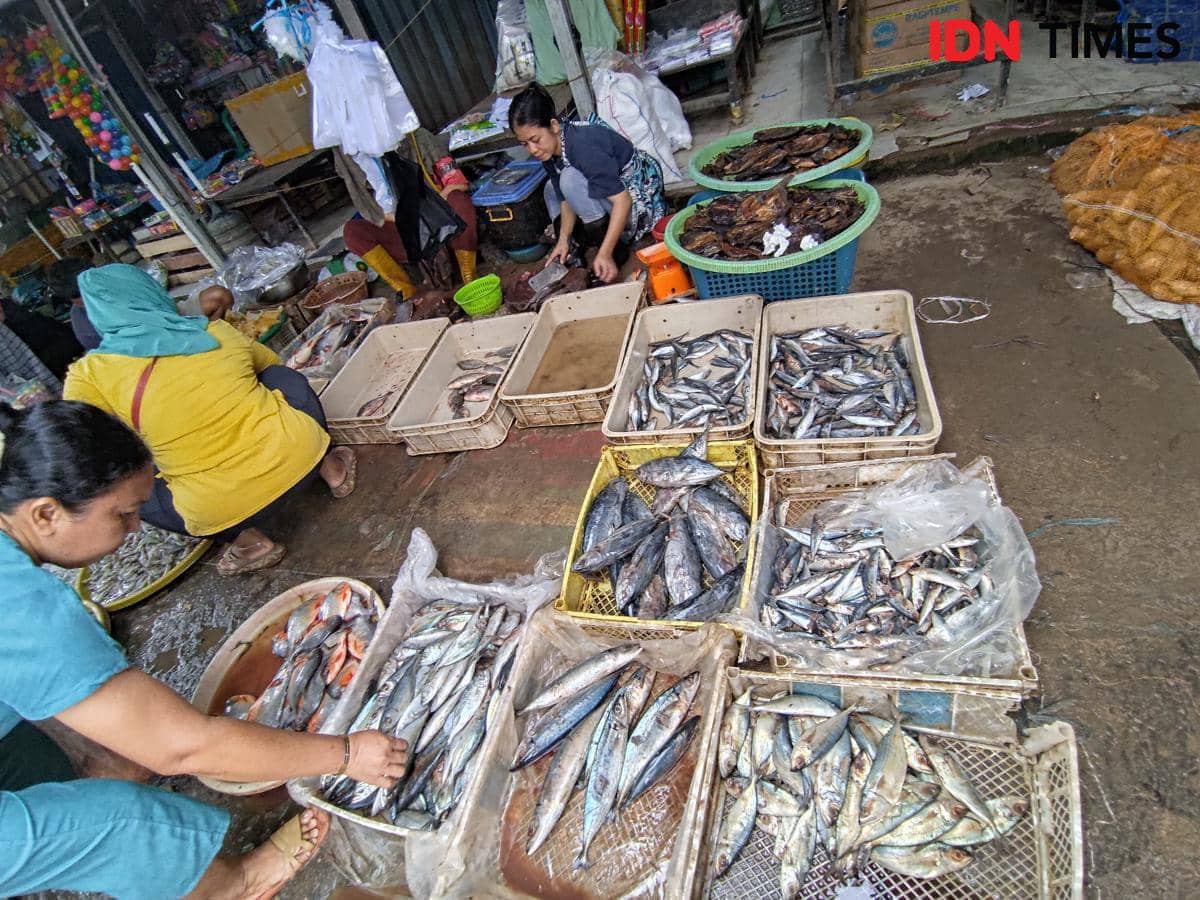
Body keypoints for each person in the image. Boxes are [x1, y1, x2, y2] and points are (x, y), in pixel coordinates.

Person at [0, 399, 409, 899]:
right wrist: (346, 754)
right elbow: (183, 745)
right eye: (124, 515)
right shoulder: (22, 605)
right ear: (45, 514)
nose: (135, 531)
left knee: (50, 763)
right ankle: (234, 886)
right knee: (119, 823)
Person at [62, 264, 357, 576]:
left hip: (219, 509)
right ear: (151, 292)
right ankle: (332, 469)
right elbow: (270, 366)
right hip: (298, 453)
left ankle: (250, 543)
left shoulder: (88, 376)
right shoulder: (209, 330)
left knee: (132, 484)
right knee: (279, 377)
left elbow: (86, 449)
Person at [509, 82, 668, 284]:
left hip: (639, 203)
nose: (531, 149)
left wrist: (606, 252)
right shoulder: (550, 151)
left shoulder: (583, 147)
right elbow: (564, 199)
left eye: (535, 139)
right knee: (551, 188)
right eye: (524, 143)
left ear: (554, 126)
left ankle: (614, 251)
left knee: (569, 180)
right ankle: (572, 248)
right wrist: (563, 240)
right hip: (615, 195)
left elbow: (623, 201)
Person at [335, 148, 479, 296]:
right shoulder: (354, 162)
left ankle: (469, 275)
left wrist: (426, 208)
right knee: (352, 231)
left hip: (441, 219)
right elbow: (373, 213)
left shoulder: (418, 140)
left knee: (458, 199)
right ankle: (405, 290)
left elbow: (460, 184)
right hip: (404, 230)